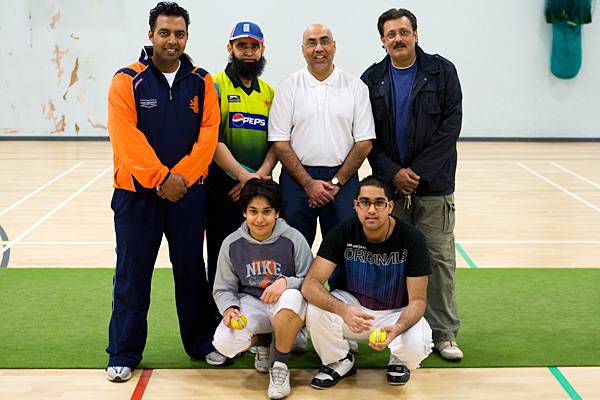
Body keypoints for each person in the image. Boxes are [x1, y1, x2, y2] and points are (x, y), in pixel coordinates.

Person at [105, 2, 220, 382]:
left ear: (187, 36)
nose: (172, 40)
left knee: (191, 271)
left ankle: (201, 343)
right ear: (151, 34)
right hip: (136, 197)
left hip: (188, 196)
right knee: (132, 274)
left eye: (179, 33)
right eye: (165, 33)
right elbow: (126, 139)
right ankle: (123, 352)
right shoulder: (126, 80)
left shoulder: (202, 81)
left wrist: (181, 179)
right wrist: (160, 179)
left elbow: (208, 137)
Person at [360, 8, 464, 360]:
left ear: (416, 34)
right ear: (382, 40)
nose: (398, 39)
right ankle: (398, 329)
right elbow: (367, 136)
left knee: (438, 259)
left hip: (433, 187)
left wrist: (415, 173)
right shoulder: (371, 79)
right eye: (391, 34)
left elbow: (451, 126)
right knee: (393, 262)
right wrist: (393, 175)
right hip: (392, 191)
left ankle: (445, 333)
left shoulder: (442, 72)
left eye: (404, 31)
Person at [301, 175, 433, 389]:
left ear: (390, 206)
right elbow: (310, 284)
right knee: (315, 307)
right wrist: (343, 310)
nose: (371, 210)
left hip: (394, 314)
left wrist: (398, 327)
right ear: (356, 206)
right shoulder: (343, 232)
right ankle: (339, 360)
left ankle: (399, 359)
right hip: (354, 310)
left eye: (379, 203)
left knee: (417, 346)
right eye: (365, 202)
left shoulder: (412, 239)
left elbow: (418, 301)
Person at [204, 21, 278, 365]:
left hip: (259, 191)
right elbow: (212, 139)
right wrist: (241, 175)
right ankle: (222, 334)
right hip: (223, 189)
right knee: (222, 261)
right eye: (241, 45)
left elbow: (277, 142)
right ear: (230, 48)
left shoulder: (269, 92)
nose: (247, 52)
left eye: (254, 46)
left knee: (263, 263)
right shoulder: (214, 84)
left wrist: (258, 177)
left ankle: (263, 335)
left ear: (262, 49)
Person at [268, 24, 375, 249]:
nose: (319, 48)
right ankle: (295, 286)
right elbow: (279, 141)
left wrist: (336, 183)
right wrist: (308, 184)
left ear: (334, 46)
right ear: (302, 49)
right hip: (297, 181)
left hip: (342, 181)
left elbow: (364, 142)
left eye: (324, 41)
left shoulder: (356, 87)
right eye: (311, 42)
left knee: (344, 250)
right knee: (293, 250)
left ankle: (340, 286)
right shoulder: (288, 87)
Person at [212, 179, 312, 399]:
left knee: (292, 297)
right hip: (252, 302)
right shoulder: (232, 243)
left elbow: (311, 281)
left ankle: (280, 366)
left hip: (286, 303)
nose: (259, 219)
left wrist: (286, 282)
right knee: (224, 344)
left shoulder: (294, 239)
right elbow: (223, 288)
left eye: (267, 211)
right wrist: (229, 309)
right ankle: (265, 340)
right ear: (244, 213)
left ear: (276, 213)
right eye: (253, 211)